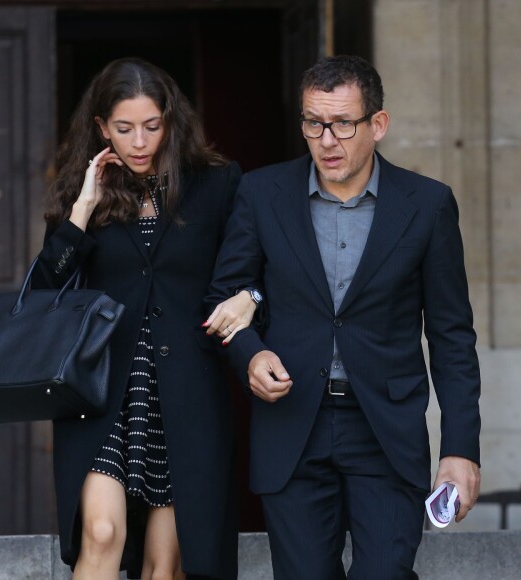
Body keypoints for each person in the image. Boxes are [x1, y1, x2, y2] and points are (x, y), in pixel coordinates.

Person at [207, 54, 481, 579]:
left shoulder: (428, 205)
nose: (327, 140)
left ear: (378, 124)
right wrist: (250, 354)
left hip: (386, 429)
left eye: (343, 124)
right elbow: (225, 295)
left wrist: (460, 450)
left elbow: (451, 336)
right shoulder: (262, 194)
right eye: (314, 123)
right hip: (292, 425)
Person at [32, 57, 257, 580]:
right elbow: (44, 293)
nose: (139, 142)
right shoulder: (81, 193)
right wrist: (84, 208)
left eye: (152, 127)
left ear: (171, 121)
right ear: (101, 128)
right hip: (103, 392)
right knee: (102, 533)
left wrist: (251, 294)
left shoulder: (218, 185)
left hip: (186, 394)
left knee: (165, 564)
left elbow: (254, 266)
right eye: (125, 128)